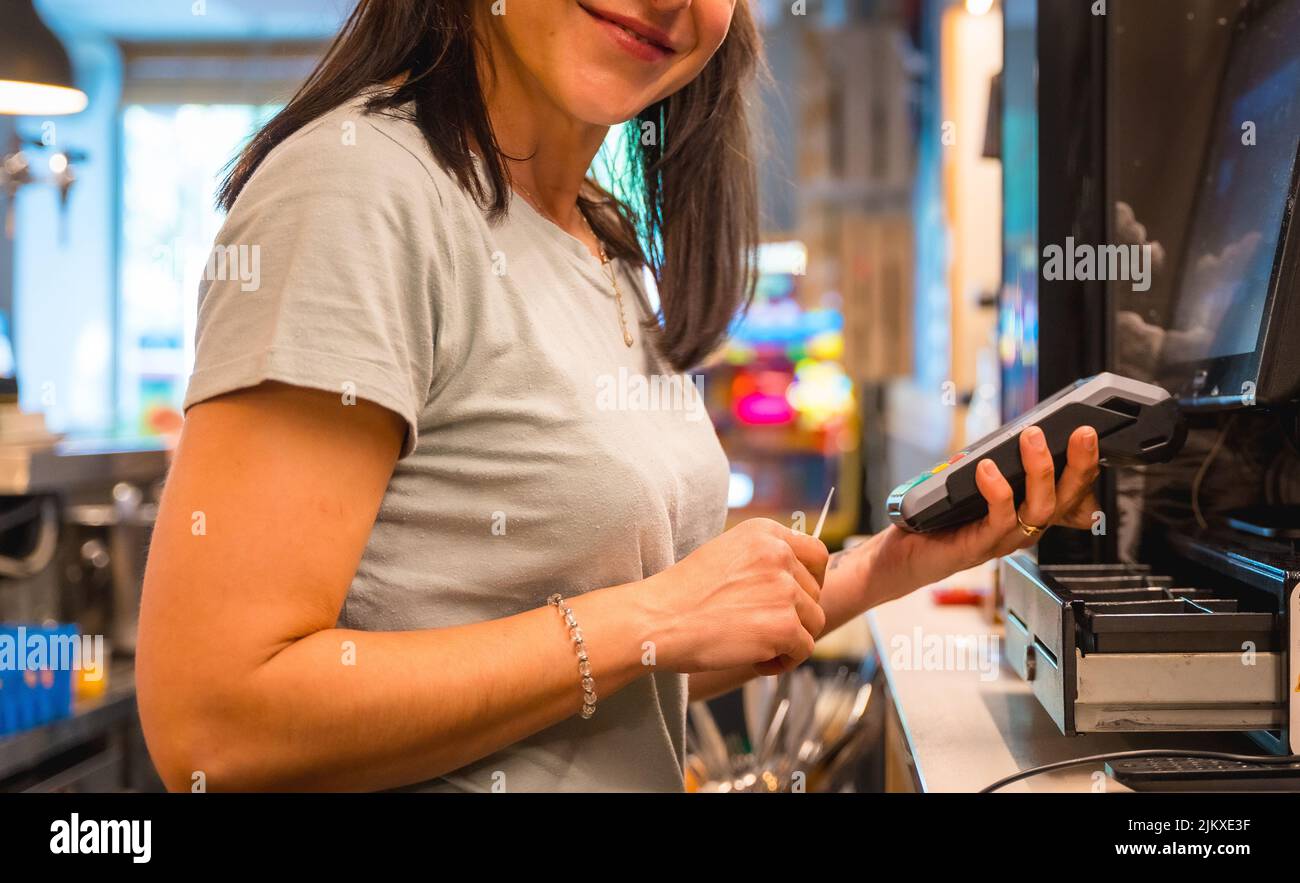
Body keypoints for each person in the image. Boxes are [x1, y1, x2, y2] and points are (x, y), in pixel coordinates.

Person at [136, 0, 1102, 792]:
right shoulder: (356, 193)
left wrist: (897, 561)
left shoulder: (598, 238)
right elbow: (214, 722)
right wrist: (653, 617)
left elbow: (649, 649)